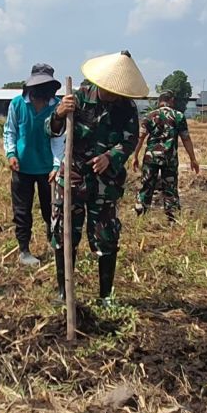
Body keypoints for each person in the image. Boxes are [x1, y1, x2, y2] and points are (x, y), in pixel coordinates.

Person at [47, 51, 146, 304]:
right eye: (108, 89)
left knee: (106, 235)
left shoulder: (126, 107)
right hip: (73, 176)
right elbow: (52, 130)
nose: (112, 94)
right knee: (65, 231)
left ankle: (105, 296)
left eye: (117, 91)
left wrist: (110, 157)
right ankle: (64, 291)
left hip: (105, 183)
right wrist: (59, 114)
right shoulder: (77, 98)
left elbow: (130, 139)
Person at [4, 64, 64, 266]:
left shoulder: (57, 107)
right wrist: (11, 154)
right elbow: (10, 131)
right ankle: (24, 250)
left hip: (48, 169)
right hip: (22, 167)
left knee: (52, 210)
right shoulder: (18, 104)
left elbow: (59, 139)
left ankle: (53, 241)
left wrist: (57, 166)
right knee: (22, 211)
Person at [132, 90, 200, 222]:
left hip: (151, 157)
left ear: (159, 101)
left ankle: (140, 215)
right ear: (171, 101)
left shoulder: (149, 116)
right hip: (170, 158)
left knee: (146, 185)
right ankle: (172, 217)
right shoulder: (178, 116)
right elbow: (186, 138)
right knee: (170, 188)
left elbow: (140, 138)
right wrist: (193, 159)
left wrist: (135, 156)